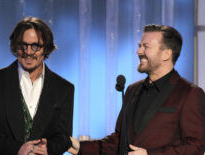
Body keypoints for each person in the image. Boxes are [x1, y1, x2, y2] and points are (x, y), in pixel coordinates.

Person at [68, 24, 205, 155]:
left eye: (146, 47)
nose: (138, 51)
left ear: (166, 54)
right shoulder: (132, 90)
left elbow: (195, 147)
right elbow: (118, 141)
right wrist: (80, 148)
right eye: (139, 46)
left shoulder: (190, 94)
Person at [0, 17, 74, 155]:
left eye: (35, 46)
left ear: (46, 48)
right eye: (22, 45)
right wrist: (16, 148)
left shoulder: (64, 88)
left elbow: (63, 137)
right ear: (15, 46)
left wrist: (48, 149)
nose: (28, 52)